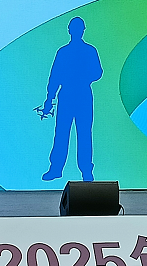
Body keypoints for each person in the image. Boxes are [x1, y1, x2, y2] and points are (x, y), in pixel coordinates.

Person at [39, 17, 103, 181]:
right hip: (67, 95)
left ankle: (86, 171)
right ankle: (56, 168)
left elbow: (98, 72)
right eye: (74, 28)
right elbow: (54, 77)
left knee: (84, 133)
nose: (76, 31)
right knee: (62, 132)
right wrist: (50, 97)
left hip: (82, 95)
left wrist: (82, 77)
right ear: (70, 30)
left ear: (82, 30)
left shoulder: (89, 51)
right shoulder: (63, 52)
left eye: (78, 28)